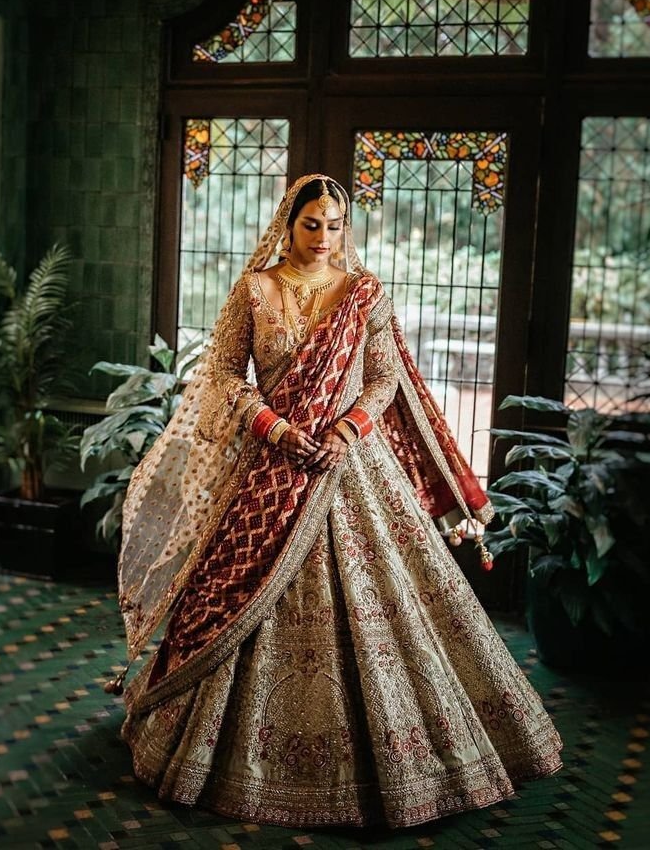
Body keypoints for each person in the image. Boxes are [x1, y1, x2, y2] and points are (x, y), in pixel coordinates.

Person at [113, 173, 563, 828]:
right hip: (270, 468)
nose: (324, 237)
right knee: (230, 594)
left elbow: (384, 379)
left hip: (349, 464)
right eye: (311, 224)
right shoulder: (256, 289)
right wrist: (278, 430)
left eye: (334, 224)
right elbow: (222, 377)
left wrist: (344, 431)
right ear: (286, 224)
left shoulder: (362, 292)